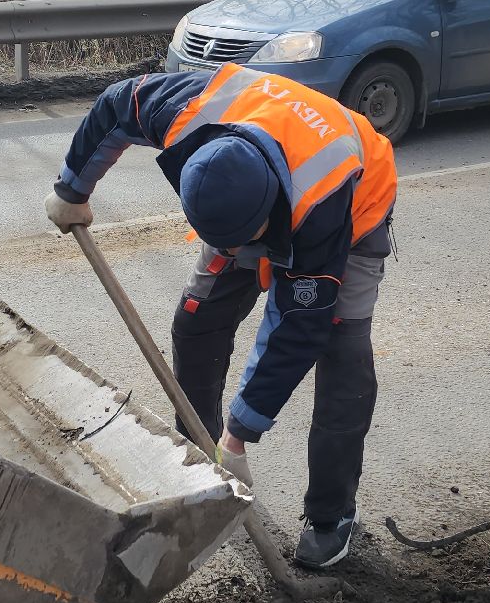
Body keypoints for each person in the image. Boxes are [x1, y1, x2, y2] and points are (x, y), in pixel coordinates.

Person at [44, 64, 396, 568]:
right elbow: (115, 105)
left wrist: (240, 434)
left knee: (341, 357)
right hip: (248, 188)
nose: (232, 252)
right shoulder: (187, 109)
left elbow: (297, 328)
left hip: (357, 206)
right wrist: (72, 190)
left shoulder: (320, 206)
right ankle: (197, 450)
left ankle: (330, 517)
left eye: (242, 243)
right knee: (196, 318)